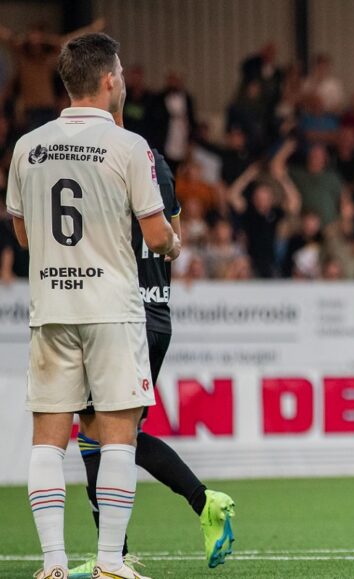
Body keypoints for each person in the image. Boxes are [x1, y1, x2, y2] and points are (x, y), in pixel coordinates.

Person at [6, 33, 180, 579]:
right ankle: (109, 563)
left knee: (47, 441)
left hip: (51, 308)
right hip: (111, 309)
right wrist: (175, 243)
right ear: (109, 80)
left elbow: (25, 237)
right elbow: (157, 237)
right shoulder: (131, 148)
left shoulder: (27, 145)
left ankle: (53, 564)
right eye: (122, 73)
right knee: (116, 438)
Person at [67, 104, 236, 579]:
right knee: (106, 432)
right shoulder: (155, 162)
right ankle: (113, 556)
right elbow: (172, 237)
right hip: (155, 310)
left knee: (107, 435)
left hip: (119, 314)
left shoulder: (100, 160)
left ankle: (132, 546)